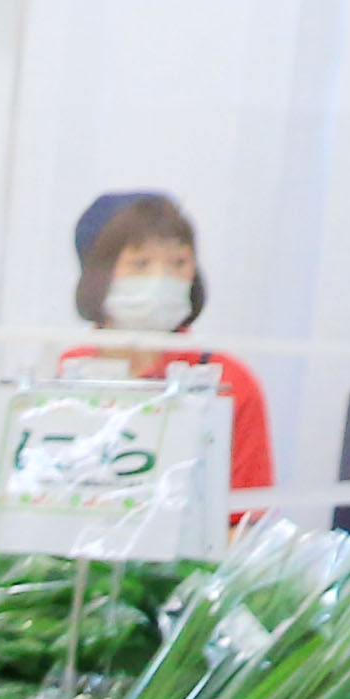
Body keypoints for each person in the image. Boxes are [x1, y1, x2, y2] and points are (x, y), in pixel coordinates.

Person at [62, 188, 276, 493]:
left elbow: (246, 521)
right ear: (97, 276)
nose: (163, 279)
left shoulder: (228, 382)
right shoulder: (65, 374)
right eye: (141, 264)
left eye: (178, 263)